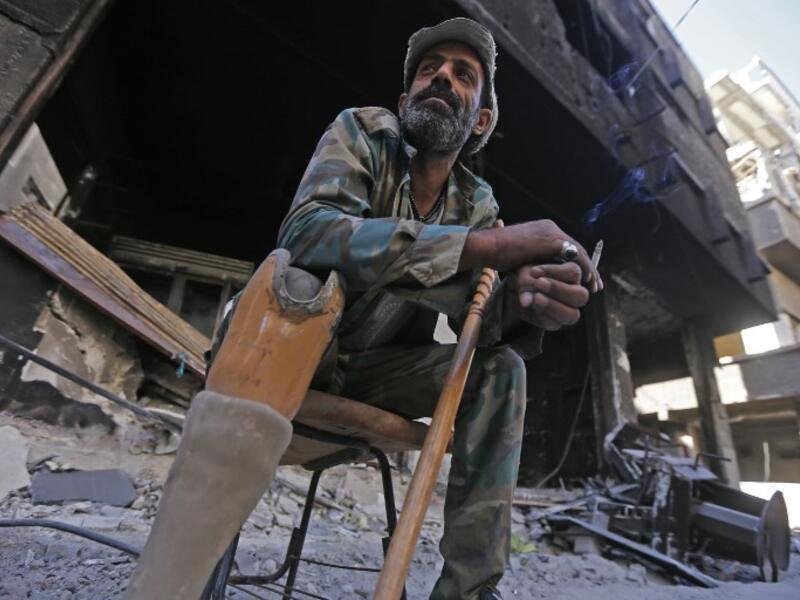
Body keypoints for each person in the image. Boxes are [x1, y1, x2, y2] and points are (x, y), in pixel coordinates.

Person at [276, 17, 602, 600]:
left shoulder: (476, 204)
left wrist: (523, 300)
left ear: (480, 119)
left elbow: (475, 316)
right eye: (431, 70)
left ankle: (468, 592)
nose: (442, 79)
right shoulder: (362, 133)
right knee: (299, 279)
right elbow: (307, 234)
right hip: (294, 351)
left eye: (462, 75)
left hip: (376, 375)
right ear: (406, 100)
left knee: (502, 370)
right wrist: (485, 249)